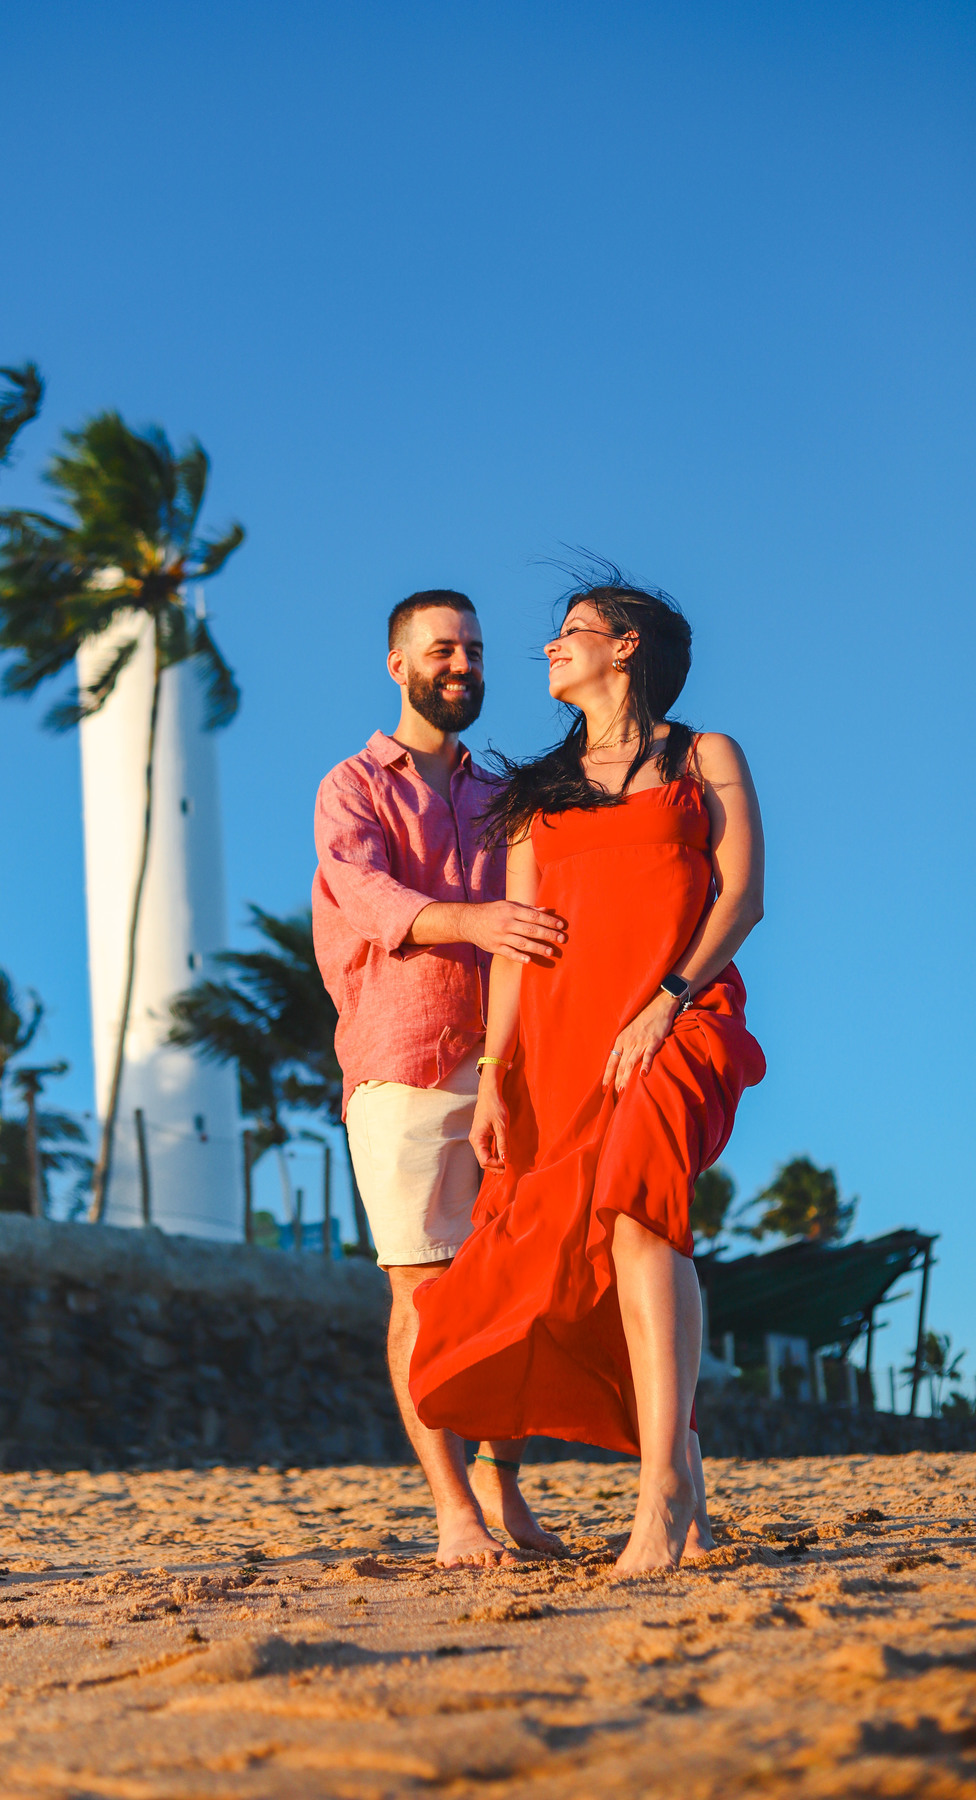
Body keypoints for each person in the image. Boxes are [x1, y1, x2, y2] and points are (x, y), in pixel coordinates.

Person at [409, 574, 766, 1572]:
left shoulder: (704, 757)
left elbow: (741, 898)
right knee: (621, 1231)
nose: (552, 649)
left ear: (630, 647)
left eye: (574, 633)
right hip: (565, 1041)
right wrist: (495, 1076)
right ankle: (684, 1484)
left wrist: (668, 1001)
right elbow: (518, 950)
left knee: (644, 1204)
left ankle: (660, 1494)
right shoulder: (535, 798)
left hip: (683, 1016)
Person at [313, 588, 568, 1567]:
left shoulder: (504, 791)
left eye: (471, 649)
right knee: (421, 1287)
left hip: (513, 1058)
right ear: (397, 664)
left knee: (509, 1291)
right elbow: (368, 894)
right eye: (440, 650)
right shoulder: (352, 785)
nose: (460, 665)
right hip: (402, 1056)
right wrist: (473, 922)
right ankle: (452, 1510)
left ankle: (507, 1497)